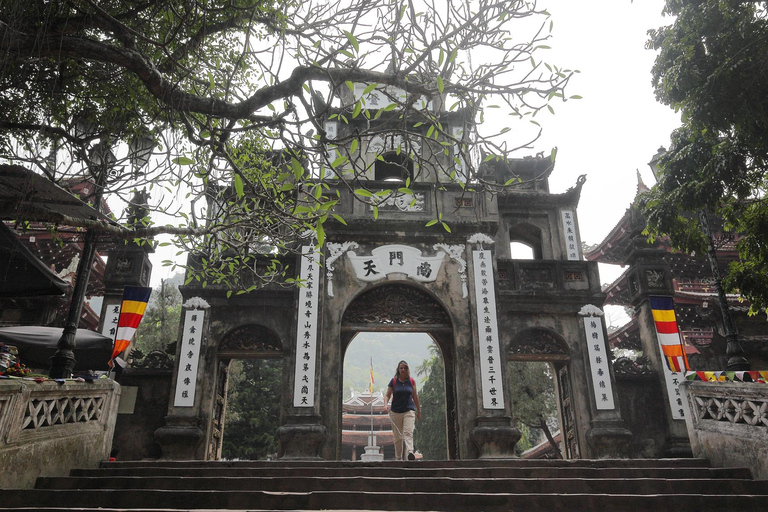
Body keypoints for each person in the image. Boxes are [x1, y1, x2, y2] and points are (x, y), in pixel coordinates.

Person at [385, 360, 421, 461]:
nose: (403, 370)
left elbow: (415, 397)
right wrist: (385, 405)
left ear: (407, 369)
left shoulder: (412, 381)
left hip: (409, 411)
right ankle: (399, 458)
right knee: (398, 438)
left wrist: (419, 410)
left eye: (405, 368)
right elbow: (387, 395)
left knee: (408, 432)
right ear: (398, 369)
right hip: (395, 412)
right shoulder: (394, 381)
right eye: (401, 368)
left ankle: (410, 452)